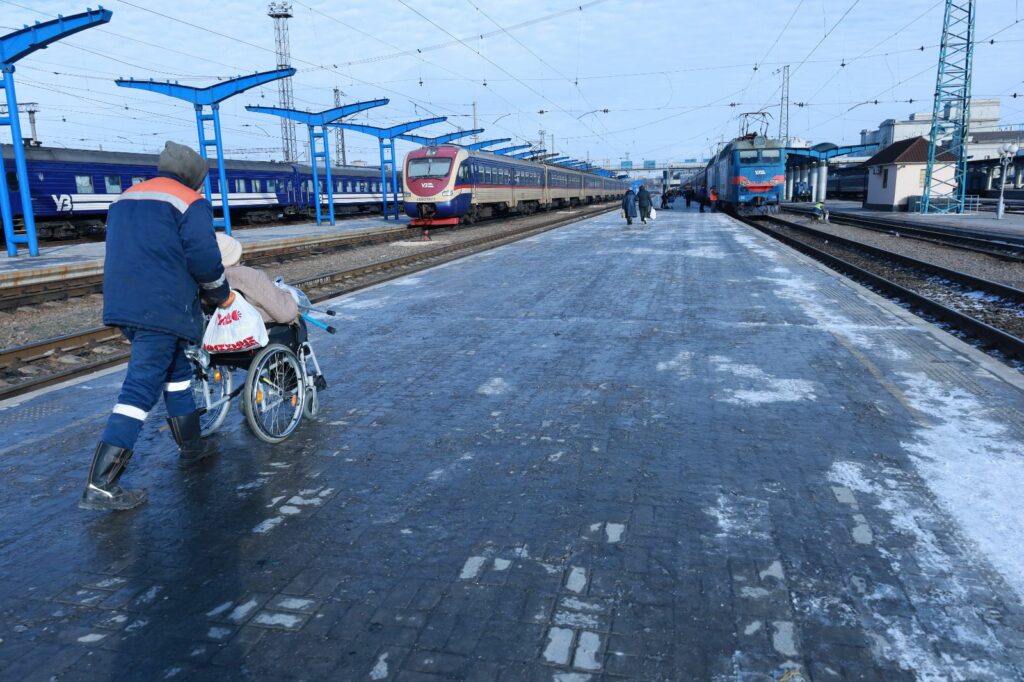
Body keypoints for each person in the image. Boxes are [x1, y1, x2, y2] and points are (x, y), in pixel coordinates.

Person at [79, 141, 232, 512]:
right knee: (139, 389)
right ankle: (101, 485)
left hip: (126, 303)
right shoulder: (188, 201)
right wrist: (221, 294)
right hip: (162, 309)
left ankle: (192, 447)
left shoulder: (127, 197)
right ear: (194, 177)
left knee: (177, 374)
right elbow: (205, 259)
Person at [215, 233, 299, 325]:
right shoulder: (249, 276)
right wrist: (285, 292)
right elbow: (287, 314)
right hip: (259, 335)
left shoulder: (205, 280)